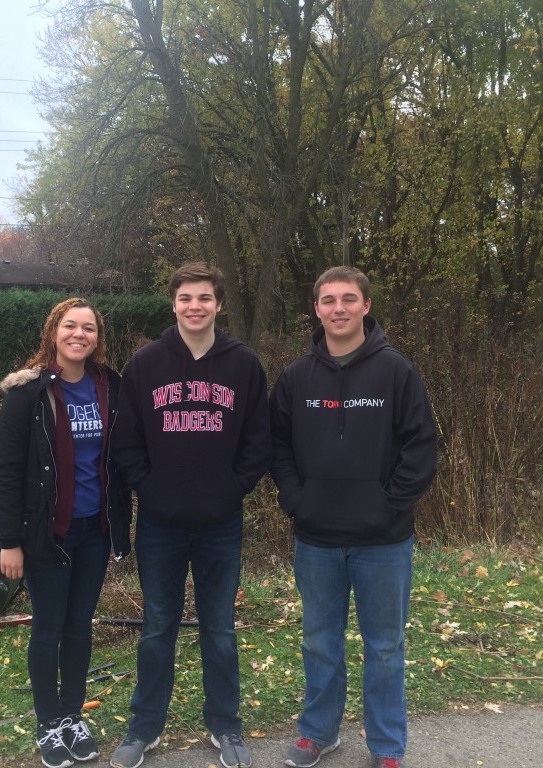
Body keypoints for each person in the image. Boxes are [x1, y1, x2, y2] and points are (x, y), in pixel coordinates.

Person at [269, 266, 437, 768]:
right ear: (316, 309)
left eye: (348, 299)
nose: (337, 308)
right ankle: (318, 732)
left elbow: (421, 448)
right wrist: (298, 500)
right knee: (320, 642)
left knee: (385, 647)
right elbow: (277, 446)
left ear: (366, 305)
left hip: (383, 542)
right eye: (327, 300)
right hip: (316, 538)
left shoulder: (396, 372)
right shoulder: (296, 377)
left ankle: (387, 746)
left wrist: (388, 504)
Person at [109, 262, 272, 768]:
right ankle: (145, 727)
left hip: (220, 523)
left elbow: (258, 440)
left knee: (219, 627)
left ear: (219, 304)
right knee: (158, 625)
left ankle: (226, 727)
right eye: (185, 298)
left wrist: (231, 489)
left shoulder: (243, 365)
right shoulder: (146, 364)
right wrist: (150, 489)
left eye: (204, 298)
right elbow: (127, 441)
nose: (194, 307)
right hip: (160, 524)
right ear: (173, 304)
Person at [0, 297, 132, 768]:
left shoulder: (110, 385)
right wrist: (8, 541)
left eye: (88, 328)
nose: (79, 335)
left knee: (79, 627)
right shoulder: (27, 393)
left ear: (97, 337)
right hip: (46, 534)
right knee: (48, 629)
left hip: (95, 530)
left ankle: (72, 716)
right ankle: (47, 723)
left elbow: (124, 456)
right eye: (70, 326)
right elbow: (6, 471)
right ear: (54, 332)